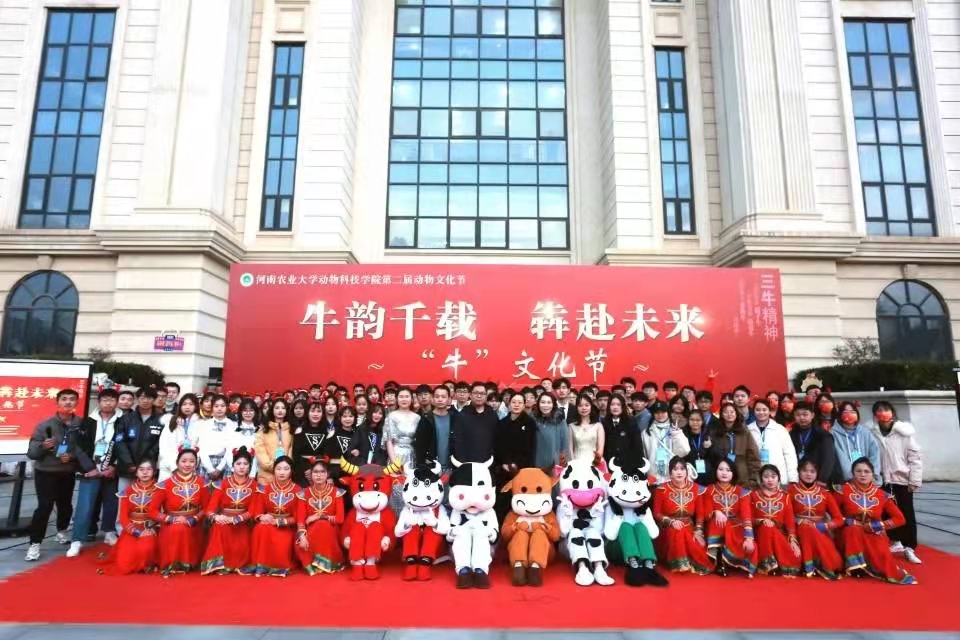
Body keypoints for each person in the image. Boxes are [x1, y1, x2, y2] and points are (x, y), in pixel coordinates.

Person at [24, 389, 84, 561]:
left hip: (67, 471)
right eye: (64, 399)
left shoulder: (81, 424)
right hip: (46, 472)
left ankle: (62, 531)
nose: (68, 402)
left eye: (72, 399)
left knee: (65, 505)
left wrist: (71, 456)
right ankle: (35, 543)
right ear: (57, 402)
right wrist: (43, 446)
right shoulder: (45, 425)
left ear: (77, 402)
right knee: (44, 507)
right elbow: (32, 453)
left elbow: (85, 449)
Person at [837, 457, 916, 584]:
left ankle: (867, 566)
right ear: (852, 473)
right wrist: (846, 521)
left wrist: (878, 525)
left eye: (866, 471)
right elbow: (831, 514)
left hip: (873, 532)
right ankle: (855, 567)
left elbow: (900, 519)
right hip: (849, 533)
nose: (863, 474)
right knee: (852, 531)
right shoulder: (842, 491)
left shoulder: (881, 495)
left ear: (873, 474)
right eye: (858, 471)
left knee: (884, 559)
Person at [69, 388, 123, 557]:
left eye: (112, 400)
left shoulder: (123, 421)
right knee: (84, 505)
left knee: (112, 503)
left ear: (117, 402)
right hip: (90, 470)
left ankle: (109, 532)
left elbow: (124, 446)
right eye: (105, 400)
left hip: (110, 470)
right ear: (98, 402)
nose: (108, 403)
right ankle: (77, 539)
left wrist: (114, 466)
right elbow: (78, 447)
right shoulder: (87, 422)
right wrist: (89, 468)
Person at [870, 401, 923, 564]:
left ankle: (910, 547)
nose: (883, 413)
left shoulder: (904, 433)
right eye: (879, 410)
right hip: (882, 480)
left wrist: (914, 480)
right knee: (886, 513)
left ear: (892, 412)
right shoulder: (872, 432)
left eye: (886, 409)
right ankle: (895, 541)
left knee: (906, 513)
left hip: (901, 480)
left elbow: (915, 458)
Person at [150, 448, 209, 575]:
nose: (188, 464)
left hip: (194, 524)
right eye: (184, 461)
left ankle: (189, 562)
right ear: (177, 463)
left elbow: (207, 508)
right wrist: (171, 519)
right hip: (171, 525)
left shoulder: (202, 483)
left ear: (196, 464)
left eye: (192, 461)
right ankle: (174, 563)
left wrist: (194, 519)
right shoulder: (165, 485)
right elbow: (152, 511)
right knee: (178, 529)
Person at [200, 446, 257, 574]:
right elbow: (210, 509)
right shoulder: (222, 484)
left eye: (245, 464)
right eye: (238, 464)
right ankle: (218, 565)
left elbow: (253, 511)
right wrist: (217, 517)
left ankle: (238, 563)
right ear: (232, 466)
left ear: (250, 467)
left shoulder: (255, 486)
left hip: (242, 523)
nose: (242, 467)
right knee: (219, 527)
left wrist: (235, 519)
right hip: (223, 521)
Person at [652, 457, 711, 574]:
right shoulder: (661, 489)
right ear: (670, 473)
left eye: (682, 469)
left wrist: (698, 532)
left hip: (689, 528)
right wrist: (671, 522)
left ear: (686, 472)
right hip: (668, 528)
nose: (679, 472)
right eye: (675, 469)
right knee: (677, 531)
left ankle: (685, 562)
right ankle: (680, 564)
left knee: (694, 544)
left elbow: (700, 514)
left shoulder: (696, 489)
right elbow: (656, 513)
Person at [788, 458, 843, 579]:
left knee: (810, 530)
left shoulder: (825, 493)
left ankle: (815, 566)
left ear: (817, 473)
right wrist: (799, 520)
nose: (808, 474)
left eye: (812, 471)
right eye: (805, 471)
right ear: (798, 472)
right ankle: (820, 566)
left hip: (820, 530)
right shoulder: (790, 491)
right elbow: (785, 515)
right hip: (798, 529)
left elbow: (839, 519)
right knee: (806, 528)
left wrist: (824, 526)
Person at [700, 458, 757, 577]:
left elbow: (746, 515)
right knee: (717, 522)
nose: (724, 473)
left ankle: (732, 562)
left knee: (747, 542)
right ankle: (719, 561)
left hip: (736, 526)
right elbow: (705, 514)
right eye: (721, 469)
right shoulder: (709, 490)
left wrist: (749, 537)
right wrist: (716, 512)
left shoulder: (742, 492)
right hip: (718, 526)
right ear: (715, 471)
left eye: (728, 470)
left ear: (733, 473)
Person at [245, 456, 300, 576]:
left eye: (286, 469)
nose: (282, 472)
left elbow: (299, 517)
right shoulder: (265, 489)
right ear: (274, 470)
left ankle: (277, 566)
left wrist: (280, 522)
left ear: (291, 471)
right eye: (278, 469)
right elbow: (257, 511)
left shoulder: (298, 491)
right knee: (261, 528)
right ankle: (260, 564)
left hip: (286, 527)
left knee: (278, 536)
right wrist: (262, 517)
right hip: (268, 523)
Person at [108, 458, 160, 575]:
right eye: (141, 469)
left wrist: (154, 529)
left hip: (150, 529)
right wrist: (136, 532)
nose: (145, 472)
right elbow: (123, 518)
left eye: (148, 469)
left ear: (154, 472)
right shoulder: (128, 490)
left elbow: (163, 512)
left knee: (146, 548)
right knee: (124, 564)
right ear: (136, 472)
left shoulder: (160, 489)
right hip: (132, 529)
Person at [296, 460, 346, 575]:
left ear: (328, 474)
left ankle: (325, 562)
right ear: (311, 474)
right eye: (315, 472)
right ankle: (315, 562)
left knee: (322, 524)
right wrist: (302, 536)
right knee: (301, 541)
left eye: (322, 472)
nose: (319, 475)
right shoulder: (304, 493)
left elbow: (340, 519)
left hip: (332, 530)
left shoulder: (337, 492)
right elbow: (301, 520)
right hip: (311, 531)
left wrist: (319, 516)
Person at [750, 464, 801, 576]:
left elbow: (789, 521)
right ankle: (767, 563)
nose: (770, 480)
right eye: (766, 477)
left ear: (778, 478)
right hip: (760, 534)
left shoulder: (785, 497)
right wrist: (761, 520)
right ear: (761, 479)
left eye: (773, 476)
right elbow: (749, 519)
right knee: (766, 527)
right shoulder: (753, 495)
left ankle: (771, 564)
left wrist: (793, 540)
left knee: (795, 557)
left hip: (779, 534)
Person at [114, 387, 165, 495]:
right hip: (127, 469)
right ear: (137, 400)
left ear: (154, 400)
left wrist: (146, 464)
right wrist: (129, 463)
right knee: (124, 499)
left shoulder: (161, 420)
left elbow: (160, 444)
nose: (145, 401)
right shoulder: (126, 419)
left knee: (147, 501)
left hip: (149, 470)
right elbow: (120, 442)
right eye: (142, 398)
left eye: (149, 398)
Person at [385, 387, 421, 512]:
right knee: (396, 488)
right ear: (397, 399)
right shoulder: (391, 416)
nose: (404, 399)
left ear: (411, 399)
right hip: (396, 453)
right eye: (401, 396)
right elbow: (388, 440)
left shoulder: (417, 417)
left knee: (410, 487)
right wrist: (394, 462)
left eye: (407, 396)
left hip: (411, 455)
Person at [745, 399, 798, 485]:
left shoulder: (780, 429)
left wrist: (792, 478)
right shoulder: (748, 430)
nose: (761, 412)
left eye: (764, 410)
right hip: (756, 478)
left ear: (769, 411)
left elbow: (789, 454)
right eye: (758, 410)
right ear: (753, 412)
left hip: (778, 477)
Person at [712, 403, 761, 490]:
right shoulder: (716, 433)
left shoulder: (744, 432)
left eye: (732, 412)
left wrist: (753, 479)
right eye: (726, 412)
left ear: (736, 414)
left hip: (742, 477)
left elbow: (753, 456)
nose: (729, 414)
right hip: (722, 477)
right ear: (721, 415)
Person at [788, 400, 838, 485]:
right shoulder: (791, 435)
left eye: (805, 414)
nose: (802, 418)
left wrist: (822, 479)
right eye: (798, 415)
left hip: (819, 480)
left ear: (812, 415)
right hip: (797, 480)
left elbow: (828, 459)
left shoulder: (823, 435)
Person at [832, 401, 881, 485]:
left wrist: (872, 474)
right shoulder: (833, 433)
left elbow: (874, 454)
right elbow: (841, 457)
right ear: (840, 414)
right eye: (845, 412)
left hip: (867, 479)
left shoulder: (865, 432)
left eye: (852, 412)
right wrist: (851, 477)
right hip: (846, 481)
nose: (849, 414)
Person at [641, 401, 691, 482]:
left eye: (663, 412)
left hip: (672, 476)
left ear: (668, 413)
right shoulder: (646, 433)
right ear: (653, 414)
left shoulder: (675, 430)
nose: (660, 415)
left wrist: (676, 435)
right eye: (657, 413)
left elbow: (684, 451)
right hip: (653, 476)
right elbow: (644, 455)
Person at [450, 381, 498, 463]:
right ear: (470, 395)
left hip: (488, 461)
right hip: (466, 461)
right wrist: (462, 460)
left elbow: (496, 438)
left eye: (482, 393)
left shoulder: (492, 415)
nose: (479, 396)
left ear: (486, 396)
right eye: (476, 393)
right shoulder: (462, 415)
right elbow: (457, 440)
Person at [158, 394, 200, 482]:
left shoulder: (201, 424)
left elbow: (201, 446)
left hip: (192, 469)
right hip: (170, 470)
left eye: (191, 404)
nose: (187, 407)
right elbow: (165, 447)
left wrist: (191, 465)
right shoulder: (171, 422)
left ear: (196, 406)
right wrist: (175, 467)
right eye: (184, 404)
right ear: (180, 406)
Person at [414, 385, 456, 470]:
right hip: (431, 467)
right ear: (432, 398)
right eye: (437, 397)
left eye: (443, 397)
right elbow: (420, 447)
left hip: (452, 466)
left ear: (449, 399)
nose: (440, 399)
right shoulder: (425, 420)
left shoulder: (455, 418)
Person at [196, 394, 237, 482]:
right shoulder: (204, 425)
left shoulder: (233, 425)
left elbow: (230, 449)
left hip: (225, 463)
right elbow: (202, 447)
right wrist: (210, 469)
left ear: (227, 407)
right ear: (212, 408)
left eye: (222, 406)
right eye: (216, 406)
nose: (219, 409)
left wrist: (219, 468)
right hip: (206, 463)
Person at [254, 399, 293, 484]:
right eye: (277, 408)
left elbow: (292, 449)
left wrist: (284, 468)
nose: (280, 410)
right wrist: (273, 466)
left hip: (286, 475)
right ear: (272, 410)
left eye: (283, 408)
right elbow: (260, 450)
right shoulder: (263, 429)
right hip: (266, 476)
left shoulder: (292, 430)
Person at [292, 402, 329, 486]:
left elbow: (327, 454)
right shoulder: (299, 430)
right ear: (307, 413)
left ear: (323, 414)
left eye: (319, 411)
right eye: (312, 411)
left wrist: (316, 469)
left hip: (321, 471)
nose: (315, 414)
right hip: (302, 471)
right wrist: (307, 469)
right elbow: (295, 455)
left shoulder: (327, 432)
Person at [532, 391, 568, 471]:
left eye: (549, 402)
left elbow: (565, 443)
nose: (546, 405)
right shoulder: (533, 419)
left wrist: (562, 459)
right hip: (536, 461)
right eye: (543, 402)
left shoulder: (560, 420)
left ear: (553, 404)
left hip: (555, 462)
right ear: (538, 404)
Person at [602, 394, 641, 467]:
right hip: (609, 463)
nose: (615, 407)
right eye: (612, 404)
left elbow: (637, 445)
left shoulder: (631, 422)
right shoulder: (604, 423)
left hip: (628, 463)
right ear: (608, 407)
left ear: (623, 407)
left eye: (618, 404)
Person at [683, 409, 718, 485]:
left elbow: (717, 456)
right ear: (688, 420)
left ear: (702, 421)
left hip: (707, 473)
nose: (695, 422)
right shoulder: (683, 434)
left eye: (698, 420)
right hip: (690, 472)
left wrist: (710, 447)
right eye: (692, 420)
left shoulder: (709, 433)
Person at [568, 393, 604, 464]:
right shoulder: (571, 426)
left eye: (587, 405)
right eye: (580, 405)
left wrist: (595, 463)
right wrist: (573, 464)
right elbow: (570, 449)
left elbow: (600, 449)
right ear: (576, 407)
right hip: (576, 463)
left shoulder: (598, 426)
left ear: (591, 406)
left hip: (594, 463)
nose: (584, 408)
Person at [229, 398, 260, 478]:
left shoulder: (260, 430)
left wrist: (253, 473)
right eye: (245, 410)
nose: (248, 413)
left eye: (251, 410)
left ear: (255, 412)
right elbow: (229, 450)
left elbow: (259, 453)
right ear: (240, 412)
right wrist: (234, 469)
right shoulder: (233, 428)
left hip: (255, 470)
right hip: (234, 469)